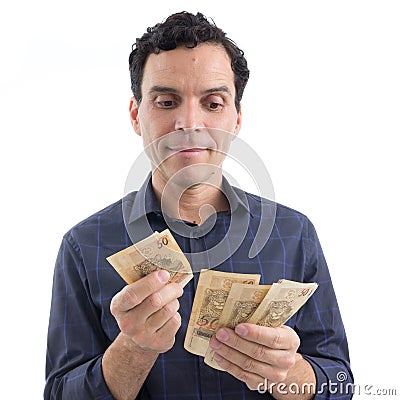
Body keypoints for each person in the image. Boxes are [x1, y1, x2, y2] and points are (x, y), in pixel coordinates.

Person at [44, 11, 353, 400]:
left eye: (212, 102)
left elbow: (340, 382)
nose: (189, 122)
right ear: (137, 115)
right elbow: (58, 393)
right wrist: (133, 349)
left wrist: (289, 372)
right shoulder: (83, 245)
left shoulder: (294, 234)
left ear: (236, 118)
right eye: (167, 101)